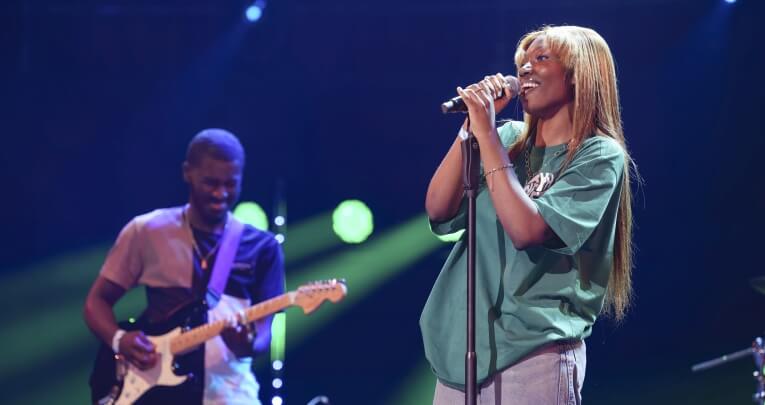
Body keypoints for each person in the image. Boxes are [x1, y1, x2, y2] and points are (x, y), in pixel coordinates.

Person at [420, 25, 637, 404]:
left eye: (541, 59)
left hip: (533, 354)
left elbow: (527, 230)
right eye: (522, 62)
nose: (524, 70)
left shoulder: (600, 156)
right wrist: (471, 128)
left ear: (579, 74)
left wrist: (487, 135)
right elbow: (438, 211)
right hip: (462, 352)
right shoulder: (504, 141)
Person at [84, 128, 285, 404]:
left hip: (229, 393)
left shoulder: (263, 247)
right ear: (187, 172)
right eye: (210, 183)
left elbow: (265, 333)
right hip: (155, 393)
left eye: (230, 184)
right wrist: (120, 340)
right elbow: (96, 302)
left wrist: (247, 345)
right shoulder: (147, 231)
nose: (221, 193)